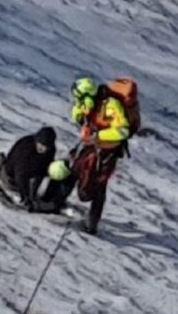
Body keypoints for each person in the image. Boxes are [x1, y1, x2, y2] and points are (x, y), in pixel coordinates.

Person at [40, 77, 131, 234]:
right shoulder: (85, 102)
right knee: (71, 170)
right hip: (88, 146)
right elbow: (77, 110)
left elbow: (123, 131)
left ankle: (92, 222)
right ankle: (54, 203)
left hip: (106, 153)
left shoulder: (111, 106)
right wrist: (80, 117)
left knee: (97, 186)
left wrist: (99, 135)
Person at [0, 126, 56, 210]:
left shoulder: (50, 151)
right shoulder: (26, 149)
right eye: (40, 144)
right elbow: (20, 175)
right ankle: (0, 166)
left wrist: (33, 193)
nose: (42, 148)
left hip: (29, 175)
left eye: (45, 146)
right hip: (11, 175)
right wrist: (25, 196)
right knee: (13, 185)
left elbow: (43, 171)